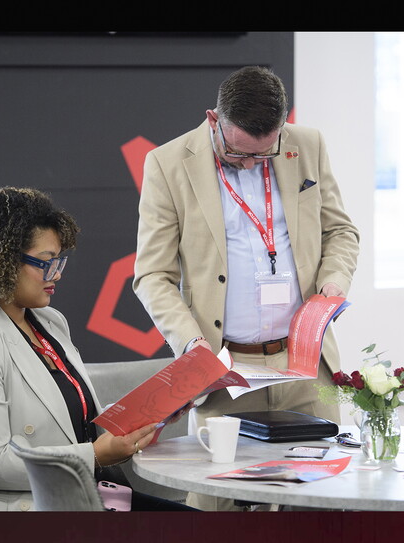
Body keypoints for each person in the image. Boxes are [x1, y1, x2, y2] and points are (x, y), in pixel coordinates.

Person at [133, 66, 360, 510]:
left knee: (323, 503)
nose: (253, 164)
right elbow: (152, 275)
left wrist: (334, 281)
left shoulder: (307, 145)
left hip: (306, 366)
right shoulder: (167, 163)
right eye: (238, 154)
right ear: (214, 120)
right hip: (224, 371)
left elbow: (341, 232)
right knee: (215, 506)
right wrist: (193, 345)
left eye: (265, 153)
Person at [0, 186, 195, 511]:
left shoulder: (49, 322)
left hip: (85, 495)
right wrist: (97, 454)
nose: (55, 274)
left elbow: (75, 425)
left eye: (59, 262)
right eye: (44, 262)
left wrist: (149, 414)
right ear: (1, 262)